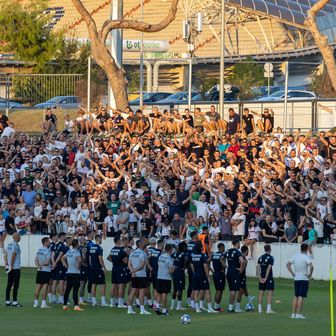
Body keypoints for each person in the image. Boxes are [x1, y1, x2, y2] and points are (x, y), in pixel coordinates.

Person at [286, 243, 314, 319]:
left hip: (296, 278)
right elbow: (311, 267)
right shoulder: (306, 257)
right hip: (304, 279)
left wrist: (292, 273)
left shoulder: (295, 256)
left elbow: (287, 264)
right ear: (307, 249)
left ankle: (293, 314)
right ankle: (298, 314)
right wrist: (310, 275)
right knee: (301, 297)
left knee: (296, 296)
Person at [190, 240, 217, 313]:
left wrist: (194, 272)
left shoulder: (193, 255)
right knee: (207, 291)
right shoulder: (202, 255)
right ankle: (210, 308)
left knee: (196, 291)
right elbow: (205, 265)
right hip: (202, 275)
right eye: (202, 245)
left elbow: (191, 264)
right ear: (200, 247)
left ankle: (197, 308)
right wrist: (208, 276)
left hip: (195, 275)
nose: (203, 246)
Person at [126, 238, 151, 315]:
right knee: (141, 292)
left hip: (134, 275)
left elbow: (129, 263)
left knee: (132, 292)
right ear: (140, 244)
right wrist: (134, 270)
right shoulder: (143, 253)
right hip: (141, 275)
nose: (144, 243)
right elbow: (142, 265)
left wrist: (132, 270)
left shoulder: (132, 253)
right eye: (143, 242)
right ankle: (142, 309)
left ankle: (129, 309)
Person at [61, 239, 84, 311]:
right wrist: (79, 266)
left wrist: (65, 264)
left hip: (69, 272)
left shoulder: (69, 251)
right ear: (77, 244)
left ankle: (64, 305)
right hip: (76, 273)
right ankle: (76, 305)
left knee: (67, 289)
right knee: (75, 290)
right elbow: (80, 260)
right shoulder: (77, 252)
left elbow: (62, 258)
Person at [224, 239, 245, 312]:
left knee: (231, 290)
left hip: (229, 271)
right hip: (234, 272)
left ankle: (230, 307)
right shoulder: (237, 252)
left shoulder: (228, 251)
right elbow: (242, 261)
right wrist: (241, 270)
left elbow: (221, 259)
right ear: (237, 243)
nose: (239, 245)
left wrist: (226, 266)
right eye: (239, 243)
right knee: (233, 290)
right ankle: (230, 308)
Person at [107, 236, 128, 308]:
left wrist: (115, 262)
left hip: (114, 268)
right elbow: (125, 261)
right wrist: (120, 262)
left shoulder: (112, 249)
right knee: (121, 285)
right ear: (118, 241)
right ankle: (120, 303)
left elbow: (108, 258)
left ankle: (112, 303)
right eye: (121, 240)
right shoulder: (122, 251)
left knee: (114, 285)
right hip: (120, 269)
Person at [155, 244, 175, 315]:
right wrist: (174, 268)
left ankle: (157, 306)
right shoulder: (169, 258)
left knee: (159, 293)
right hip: (166, 278)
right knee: (164, 294)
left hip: (159, 276)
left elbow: (158, 265)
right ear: (170, 250)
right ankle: (164, 310)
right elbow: (170, 271)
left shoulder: (161, 256)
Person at [5, 232, 22, 307]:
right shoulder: (16, 245)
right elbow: (13, 256)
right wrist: (11, 265)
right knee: (15, 284)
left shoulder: (9, 244)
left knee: (9, 284)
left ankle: (7, 300)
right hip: (15, 267)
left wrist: (6, 263)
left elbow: (5, 255)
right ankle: (15, 301)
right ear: (17, 237)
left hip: (10, 267)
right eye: (19, 236)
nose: (20, 238)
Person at [89, 234, 107, 306]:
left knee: (94, 284)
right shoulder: (99, 248)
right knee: (103, 284)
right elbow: (100, 259)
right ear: (99, 239)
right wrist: (104, 268)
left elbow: (90, 258)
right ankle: (103, 301)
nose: (101, 240)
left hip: (92, 268)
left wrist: (91, 266)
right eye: (101, 239)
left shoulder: (91, 247)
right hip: (98, 268)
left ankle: (94, 301)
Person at [34, 236, 52, 308]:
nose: (49, 242)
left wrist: (38, 266)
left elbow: (36, 260)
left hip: (40, 270)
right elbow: (47, 262)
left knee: (38, 286)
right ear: (45, 242)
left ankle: (35, 303)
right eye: (48, 241)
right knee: (45, 286)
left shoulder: (39, 250)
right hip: (46, 270)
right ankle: (43, 303)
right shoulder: (48, 251)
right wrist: (42, 264)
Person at [257, 244, 275, 314]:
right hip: (268, 277)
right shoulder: (271, 258)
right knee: (270, 292)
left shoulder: (260, 257)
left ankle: (259, 309)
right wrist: (266, 278)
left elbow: (257, 267)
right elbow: (269, 268)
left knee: (261, 293)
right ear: (270, 249)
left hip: (262, 276)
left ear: (264, 250)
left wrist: (259, 276)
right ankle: (268, 309)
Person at [236, 245, 254, 312]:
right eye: (248, 251)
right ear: (246, 251)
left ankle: (249, 299)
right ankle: (237, 308)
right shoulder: (244, 260)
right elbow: (242, 270)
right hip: (241, 276)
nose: (248, 252)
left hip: (238, 276)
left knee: (244, 288)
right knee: (240, 291)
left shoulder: (239, 257)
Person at [211, 242, 226, 312]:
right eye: (224, 247)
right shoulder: (222, 255)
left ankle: (217, 306)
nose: (224, 249)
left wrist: (211, 270)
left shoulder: (213, 254)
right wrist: (223, 269)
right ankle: (216, 307)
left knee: (218, 290)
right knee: (219, 291)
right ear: (221, 247)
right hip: (220, 274)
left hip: (215, 273)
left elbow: (207, 261)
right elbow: (223, 264)